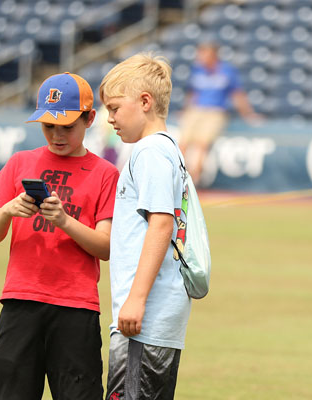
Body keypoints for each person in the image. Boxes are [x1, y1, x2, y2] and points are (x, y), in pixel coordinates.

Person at [0, 72, 120, 399]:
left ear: (89, 119)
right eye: (48, 126)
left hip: (76, 306)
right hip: (20, 301)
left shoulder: (105, 173)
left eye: (67, 126)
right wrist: (7, 210)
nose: (57, 135)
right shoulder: (20, 163)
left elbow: (105, 246)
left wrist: (64, 220)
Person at [99, 53, 191, 400]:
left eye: (115, 108)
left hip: (144, 320)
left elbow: (161, 224)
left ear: (145, 102)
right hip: (156, 318)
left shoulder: (150, 152)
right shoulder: (167, 150)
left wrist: (135, 300)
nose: (110, 119)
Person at [178, 40, 262, 183]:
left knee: (201, 144)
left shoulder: (227, 71)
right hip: (196, 109)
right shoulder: (197, 70)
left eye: (204, 54)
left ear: (213, 55)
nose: (200, 57)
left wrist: (248, 115)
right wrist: (185, 110)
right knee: (183, 143)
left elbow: (237, 94)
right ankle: (177, 177)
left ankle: (193, 180)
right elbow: (193, 93)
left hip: (215, 112)